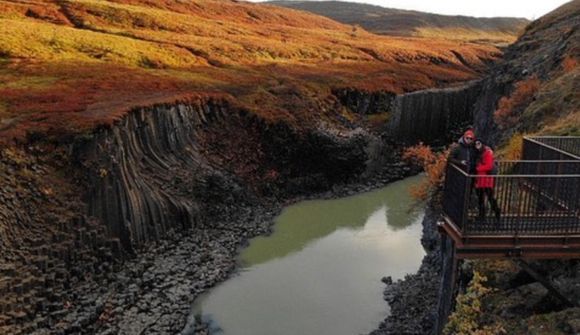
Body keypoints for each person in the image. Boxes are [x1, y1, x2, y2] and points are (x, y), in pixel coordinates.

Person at [474, 139, 501, 223]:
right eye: (475, 144)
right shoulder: (478, 153)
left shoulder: (487, 152)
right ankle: (482, 216)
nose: (477, 145)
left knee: (490, 197)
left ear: (482, 143)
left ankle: (497, 214)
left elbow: (489, 166)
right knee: (480, 199)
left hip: (487, 180)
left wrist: (477, 168)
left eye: (478, 143)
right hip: (480, 179)